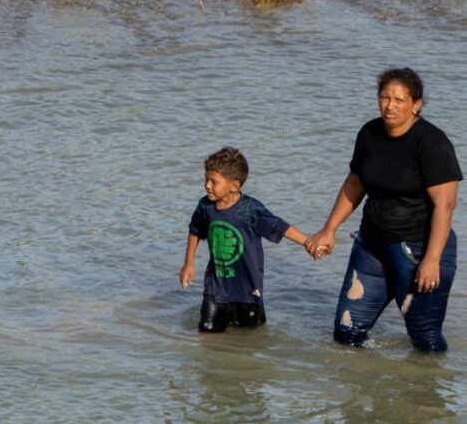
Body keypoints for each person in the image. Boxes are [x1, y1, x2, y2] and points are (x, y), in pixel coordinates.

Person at [305, 68, 460, 352]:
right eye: (384, 97)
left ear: (416, 104)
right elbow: (355, 183)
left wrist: (432, 259)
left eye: (399, 100)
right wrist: (329, 229)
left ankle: (426, 393)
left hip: (417, 251)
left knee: (425, 341)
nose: (390, 106)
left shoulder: (432, 143)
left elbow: (445, 205)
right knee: (347, 334)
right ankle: (366, 388)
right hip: (371, 249)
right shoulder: (370, 133)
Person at [180, 146, 312, 332]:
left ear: (234, 185)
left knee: (250, 339)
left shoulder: (250, 209)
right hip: (215, 286)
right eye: (206, 179)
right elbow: (195, 230)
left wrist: (308, 242)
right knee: (207, 333)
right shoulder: (205, 206)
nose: (207, 185)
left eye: (213, 181)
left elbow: (280, 227)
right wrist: (189, 263)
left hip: (248, 289)